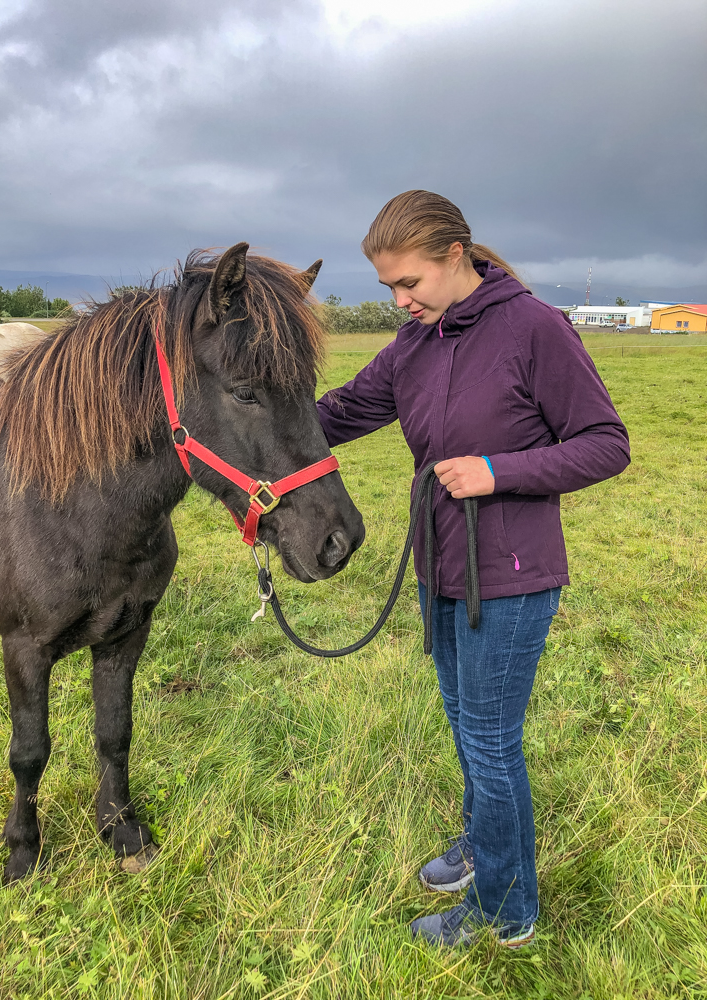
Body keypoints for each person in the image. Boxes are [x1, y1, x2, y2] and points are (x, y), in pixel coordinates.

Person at [316, 190, 630, 949]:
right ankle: (484, 845)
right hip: (442, 568)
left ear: (455, 256)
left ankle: (506, 907)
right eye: (388, 287)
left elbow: (606, 442)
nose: (398, 300)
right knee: (467, 727)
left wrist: (499, 470)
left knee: (491, 741)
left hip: (515, 576)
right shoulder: (415, 343)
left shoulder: (534, 329)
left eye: (408, 283)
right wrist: (244, 424)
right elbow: (341, 413)